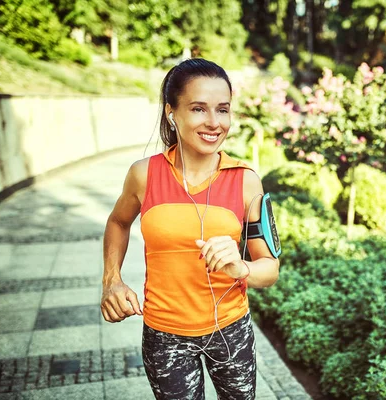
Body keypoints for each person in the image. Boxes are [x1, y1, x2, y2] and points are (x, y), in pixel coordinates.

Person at [100, 58, 280, 399]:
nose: (214, 122)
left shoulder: (245, 181)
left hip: (230, 330)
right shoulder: (144, 174)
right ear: (172, 112)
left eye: (223, 110)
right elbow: (118, 221)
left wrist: (240, 267)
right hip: (164, 335)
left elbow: (269, 270)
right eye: (199, 109)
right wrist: (112, 280)